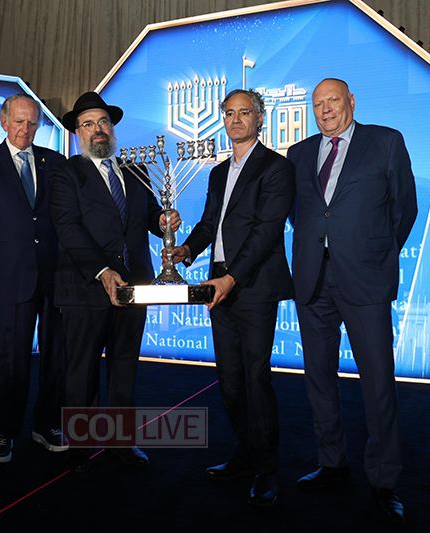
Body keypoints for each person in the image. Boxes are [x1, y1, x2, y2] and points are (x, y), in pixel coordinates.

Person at [286, 78, 417, 523]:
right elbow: (302, 213)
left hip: (365, 280)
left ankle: (384, 480)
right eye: (317, 104)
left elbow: (405, 208)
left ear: (351, 102)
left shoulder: (385, 142)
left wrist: (375, 253)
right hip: (313, 281)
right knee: (319, 377)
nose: (325, 110)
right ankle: (331, 463)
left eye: (333, 101)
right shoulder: (299, 153)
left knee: (377, 381)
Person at [166, 89, 294, 507]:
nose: (235, 120)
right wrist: (187, 249)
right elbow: (210, 224)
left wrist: (232, 278)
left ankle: (267, 469)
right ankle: (245, 454)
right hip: (218, 284)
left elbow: (265, 232)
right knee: (230, 382)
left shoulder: (276, 167)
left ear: (260, 118)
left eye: (244, 112)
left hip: (252, 285)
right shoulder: (219, 172)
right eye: (229, 113)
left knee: (255, 379)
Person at [50, 91, 179, 471]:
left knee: (124, 367)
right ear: (78, 133)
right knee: (82, 371)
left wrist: (163, 222)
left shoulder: (135, 171)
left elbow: (149, 216)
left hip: (134, 287)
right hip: (86, 287)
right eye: (88, 124)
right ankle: (80, 444)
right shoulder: (66, 173)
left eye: (103, 122)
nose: (98, 129)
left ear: (112, 128)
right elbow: (68, 228)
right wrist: (102, 271)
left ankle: (121, 442)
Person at [0, 94, 68, 463]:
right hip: (8, 278)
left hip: (55, 277)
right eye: (19, 121)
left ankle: (47, 424)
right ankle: (4, 430)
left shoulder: (54, 162)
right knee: (10, 359)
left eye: (32, 123)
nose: (25, 129)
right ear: (3, 122)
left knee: (56, 356)